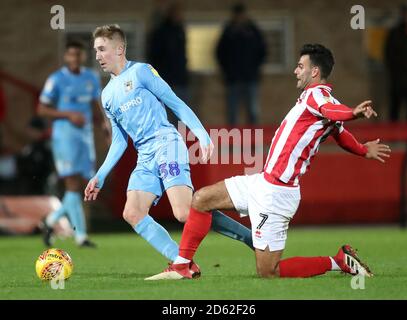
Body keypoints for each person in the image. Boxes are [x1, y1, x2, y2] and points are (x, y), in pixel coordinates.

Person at [146, 43, 392, 280]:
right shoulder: (318, 101)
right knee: (201, 199)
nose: (296, 70)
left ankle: (337, 261)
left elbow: (334, 115)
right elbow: (340, 132)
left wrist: (353, 114)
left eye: (300, 66)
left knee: (268, 272)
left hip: (277, 194)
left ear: (314, 71)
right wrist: (362, 149)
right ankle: (181, 266)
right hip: (262, 182)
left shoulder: (316, 96)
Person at [85, 25, 253, 266]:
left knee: (184, 212)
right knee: (132, 213)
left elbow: (175, 102)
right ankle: (182, 262)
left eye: (102, 49)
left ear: (120, 48)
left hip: (167, 144)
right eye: (96, 50)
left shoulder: (141, 72)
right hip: (145, 156)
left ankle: (249, 237)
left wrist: (201, 135)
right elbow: (121, 138)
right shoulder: (107, 94)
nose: (98, 55)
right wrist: (100, 175)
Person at [38, 40, 108, 248]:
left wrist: (105, 128)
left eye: (78, 55)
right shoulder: (57, 79)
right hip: (64, 137)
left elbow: (96, 105)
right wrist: (68, 114)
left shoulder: (91, 78)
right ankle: (81, 236)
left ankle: (50, 221)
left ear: (83, 56)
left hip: (84, 139)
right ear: (66, 57)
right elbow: (42, 109)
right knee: (72, 185)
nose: (75, 58)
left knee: (78, 186)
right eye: (71, 55)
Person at [216, 2, 266, 125]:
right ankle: (233, 142)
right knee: (232, 112)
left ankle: (254, 142)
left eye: (241, 15)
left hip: (250, 78)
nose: (240, 18)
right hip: (233, 79)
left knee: (252, 112)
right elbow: (219, 52)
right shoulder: (228, 32)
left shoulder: (253, 31)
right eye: (237, 15)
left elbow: (262, 51)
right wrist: (227, 71)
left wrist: (255, 69)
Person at [384, 2, 407, 121]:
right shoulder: (395, 32)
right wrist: (395, 73)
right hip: (399, 78)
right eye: (405, 12)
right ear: (402, 13)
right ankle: (393, 137)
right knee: (396, 107)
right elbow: (389, 55)